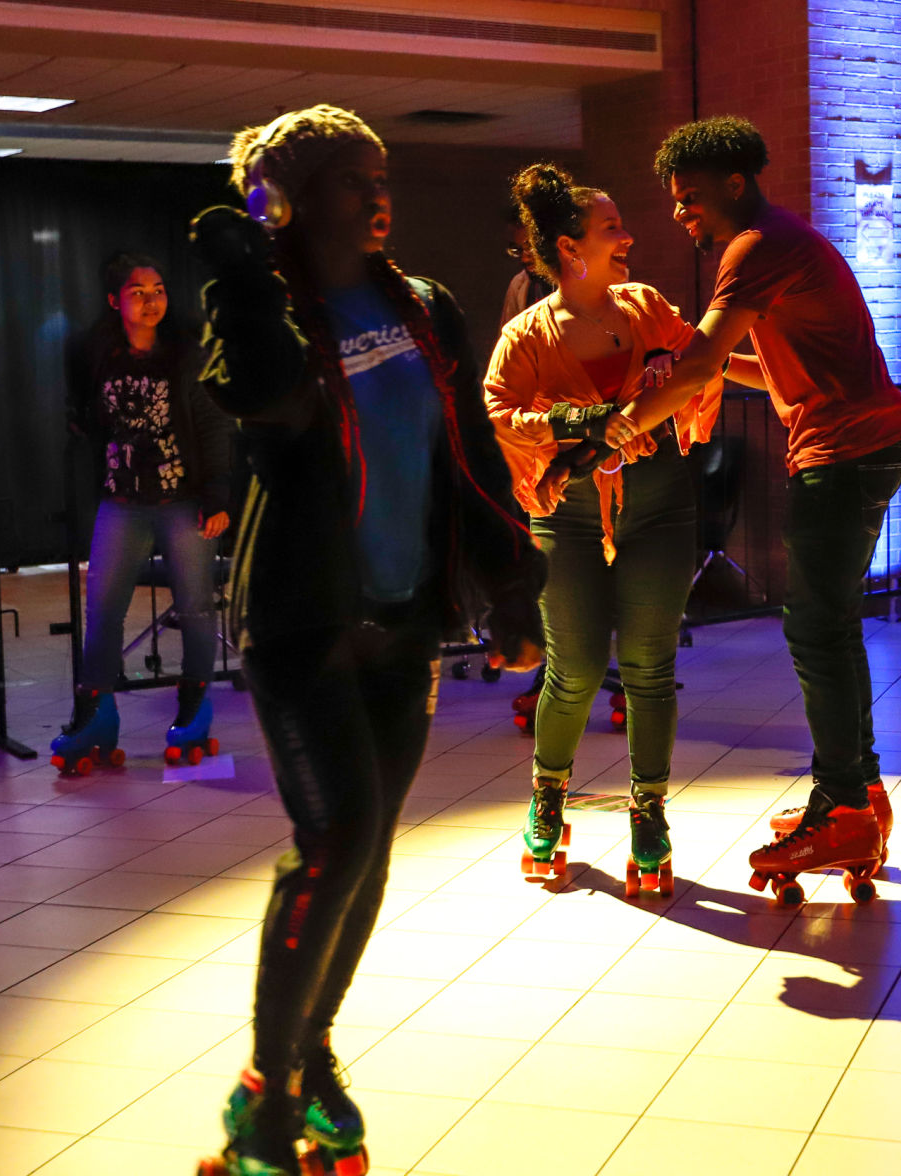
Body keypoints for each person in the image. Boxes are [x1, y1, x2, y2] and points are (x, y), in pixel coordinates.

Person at [190, 105, 546, 1175]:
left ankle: (308, 1062)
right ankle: (268, 1091)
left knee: (367, 859)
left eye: (380, 176)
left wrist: (511, 586)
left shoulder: (426, 308)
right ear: (285, 199)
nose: (376, 197)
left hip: (402, 623)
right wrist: (245, 270)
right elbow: (264, 398)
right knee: (334, 840)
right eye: (351, 180)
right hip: (301, 620)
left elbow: (468, 454)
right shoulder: (271, 312)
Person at [599, 115, 901, 902]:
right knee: (829, 625)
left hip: (841, 454)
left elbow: (706, 356)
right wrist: (692, 370)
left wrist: (619, 431)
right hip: (862, 444)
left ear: (733, 184)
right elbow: (749, 367)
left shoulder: (756, 245)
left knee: (813, 626)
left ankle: (841, 803)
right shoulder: (781, 243)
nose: (680, 215)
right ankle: (858, 794)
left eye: (689, 198)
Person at [485, 163, 720, 894]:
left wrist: (789, 371)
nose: (628, 238)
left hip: (658, 504)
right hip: (567, 514)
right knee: (577, 668)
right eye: (611, 227)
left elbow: (702, 362)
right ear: (569, 247)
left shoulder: (644, 306)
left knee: (650, 667)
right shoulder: (525, 336)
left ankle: (648, 812)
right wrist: (576, 420)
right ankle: (548, 802)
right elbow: (498, 414)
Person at [49, 253, 232, 774]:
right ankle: (95, 713)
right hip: (121, 500)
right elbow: (88, 417)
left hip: (183, 501)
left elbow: (215, 426)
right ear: (115, 301)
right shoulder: (99, 356)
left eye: (158, 290)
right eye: (137, 291)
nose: (150, 300)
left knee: (196, 607)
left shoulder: (187, 356)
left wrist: (218, 495)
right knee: (103, 610)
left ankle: (195, 709)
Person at [499, 216, 555, 329]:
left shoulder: (574, 280)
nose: (524, 259)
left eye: (530, 247)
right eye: (518, 250)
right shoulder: (518, 284)